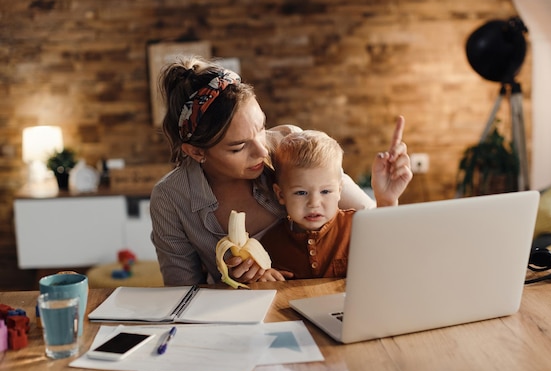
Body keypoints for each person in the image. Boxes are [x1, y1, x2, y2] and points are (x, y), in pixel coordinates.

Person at [150, 55, 412, 286]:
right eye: (239, 147)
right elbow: (182, 295)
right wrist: (236, 282)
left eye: (261, 128)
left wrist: (387, 198)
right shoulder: (171, 199)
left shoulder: (290, 147)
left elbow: (375, 230)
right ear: (196, 152)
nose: (263, 152)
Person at [260, 129, 410, 279]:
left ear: (339, 190)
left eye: (325, 191)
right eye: (301, 193)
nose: (314, 203)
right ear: (280, 194)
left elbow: (390, 251)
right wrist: (265, 277)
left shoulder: (358, 226)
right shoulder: (269, 244)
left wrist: (387, 200)